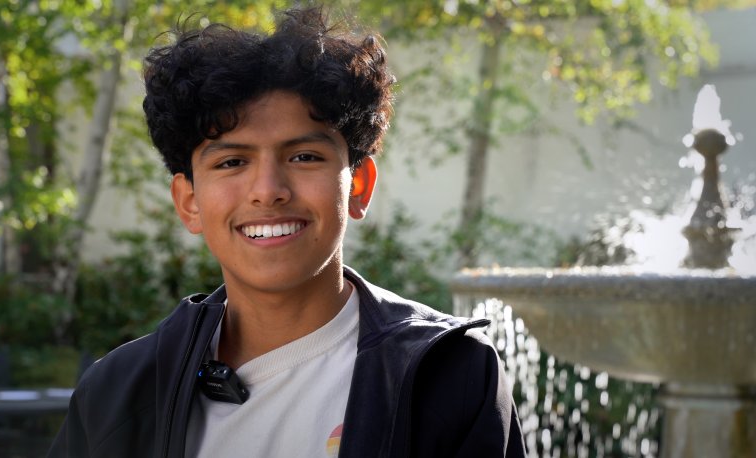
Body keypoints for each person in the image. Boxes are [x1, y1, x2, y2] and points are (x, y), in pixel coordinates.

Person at [49, 6, 526, 458]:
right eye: (232, 162)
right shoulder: (117, 394)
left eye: (304, 157)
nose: (268, 191)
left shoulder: (450, 376)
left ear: (358, 185)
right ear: (189, 202)